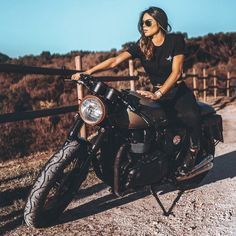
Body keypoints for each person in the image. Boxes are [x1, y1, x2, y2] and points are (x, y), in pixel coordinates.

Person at [72, 6, 201, 179]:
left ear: (160, 22)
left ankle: (194, 149)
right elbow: (115, 61)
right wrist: (88, 72)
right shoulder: (142, 45)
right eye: (142, 24)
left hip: (176, 91)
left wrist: (159, 94)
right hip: (155, 92)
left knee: (191, 116)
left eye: (148, 22)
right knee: (145, 121)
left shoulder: (175, 41)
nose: (144, 26)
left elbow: (176, 72)